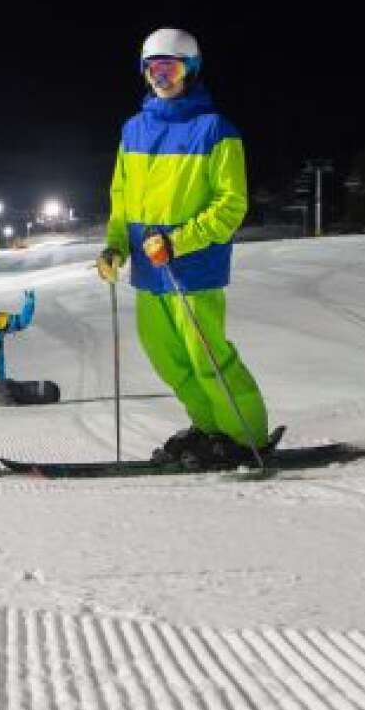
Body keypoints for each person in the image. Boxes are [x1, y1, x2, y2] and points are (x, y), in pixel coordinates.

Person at [96, 28, 271, 466]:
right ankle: (210, 427)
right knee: (167, 359)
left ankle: (245, 435)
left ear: (189, 70)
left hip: (193, 267)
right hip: (148, 272)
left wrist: (178, 242)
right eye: (153, 67)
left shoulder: (215, 130)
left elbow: (231, 205)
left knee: (206, 357)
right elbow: (121, 199)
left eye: (170, 67)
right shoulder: (133, 130)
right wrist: (115, 246)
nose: (161, 76)